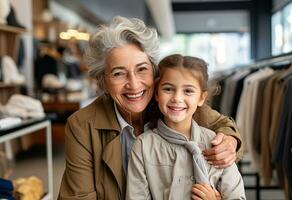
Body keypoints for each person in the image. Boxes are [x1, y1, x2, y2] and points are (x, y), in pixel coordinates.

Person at [58, 16, 243, 200]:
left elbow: (222, 125)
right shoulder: (82, 125)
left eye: (141, 69)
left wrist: (230, 143)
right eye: (118, 73)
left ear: (154, 71)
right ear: (103, 81)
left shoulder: (172, 104)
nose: (134, 84)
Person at [126, 54, 246, 200]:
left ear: (201, 98)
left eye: (188, 91)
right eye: (168, 89)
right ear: (156, 93)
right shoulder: (142, 146)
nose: (177, 98)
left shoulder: (216, 144)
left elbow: (236, 195)